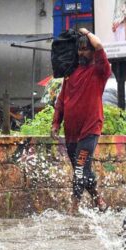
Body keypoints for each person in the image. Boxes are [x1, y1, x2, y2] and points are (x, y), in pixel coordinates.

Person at [51, 28, 111, 214]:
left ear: (92, 52)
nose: (82, 52)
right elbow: (61, 101)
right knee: (83, 169)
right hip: (71, 132)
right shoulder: (70, 75)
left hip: (90, 129)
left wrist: (86, 32)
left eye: (86, 49)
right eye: (79, 49)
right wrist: (55, 124)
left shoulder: (100, 71)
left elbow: (100, 45)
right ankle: (98, 200)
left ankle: (74, 206)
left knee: (79, 167)